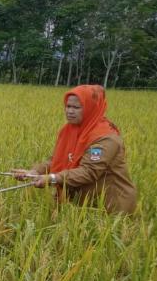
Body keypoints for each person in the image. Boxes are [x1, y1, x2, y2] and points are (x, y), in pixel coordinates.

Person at [12, 84, 137, 214]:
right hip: (80, 203)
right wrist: (34, 172)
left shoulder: (105, 138)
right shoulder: (70, 130)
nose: (70, 111)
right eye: (68, 106)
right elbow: (58, 160)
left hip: (109, 206)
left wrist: (52, 178)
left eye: (76, 107)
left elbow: (89, 172)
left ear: (90, 108)